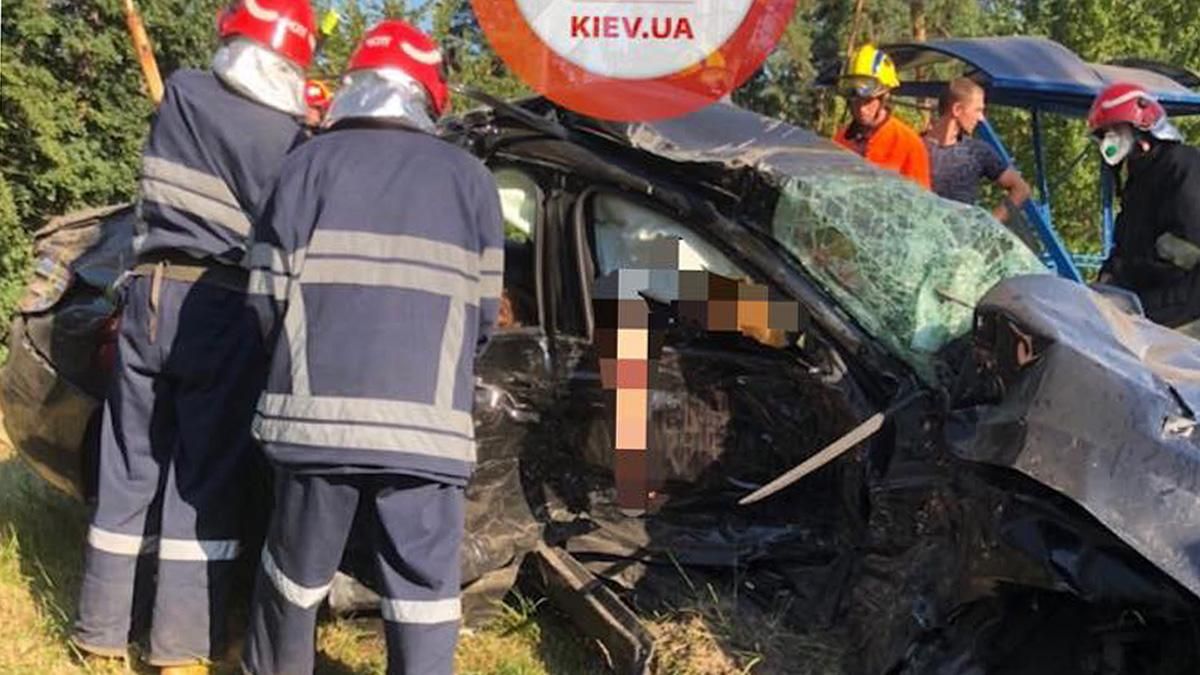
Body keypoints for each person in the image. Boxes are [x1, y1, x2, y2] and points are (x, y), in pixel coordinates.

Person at [240, 18, 504, 675]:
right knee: (422, 596)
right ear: (428, 96)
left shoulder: (303, 164)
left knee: (293, 580)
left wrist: (294, 360)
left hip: (313, 416)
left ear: (354, 85)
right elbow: (485, 315)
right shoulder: (471, 180)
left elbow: (263, 295)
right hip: (428, 428)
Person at [72, 1, 315, 672]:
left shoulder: (181, 91)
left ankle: (99, 631)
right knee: (201, 479)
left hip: (148, 291)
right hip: (222, 305)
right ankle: (178, 648)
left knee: (128, 466)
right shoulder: (290, 139)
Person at [1089, 82, 1200, 333]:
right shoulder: (1137, 177)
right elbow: (1126, 242)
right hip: (1145, 310)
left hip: (1185, 313)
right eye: (1104, 134)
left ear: (1142, 124)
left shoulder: (1182, 163)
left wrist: (1127, 273)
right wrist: (1108, 277)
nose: (1108, 141)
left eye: (1113, 130)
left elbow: (1188, 246)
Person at [925, 77, 1032, 222]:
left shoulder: (977, 152)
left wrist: (989, 225)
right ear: (957, 109)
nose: (981, 118)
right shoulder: (915, 147)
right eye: (978, 110)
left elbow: (1021, 189)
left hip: (960, 241)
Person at [834, 44, 931, 189]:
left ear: (884, 96)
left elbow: (923, 202)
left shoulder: (909, 144)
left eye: (868, 101)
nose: (861, 108)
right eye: (855, 101)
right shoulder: (839, 141)